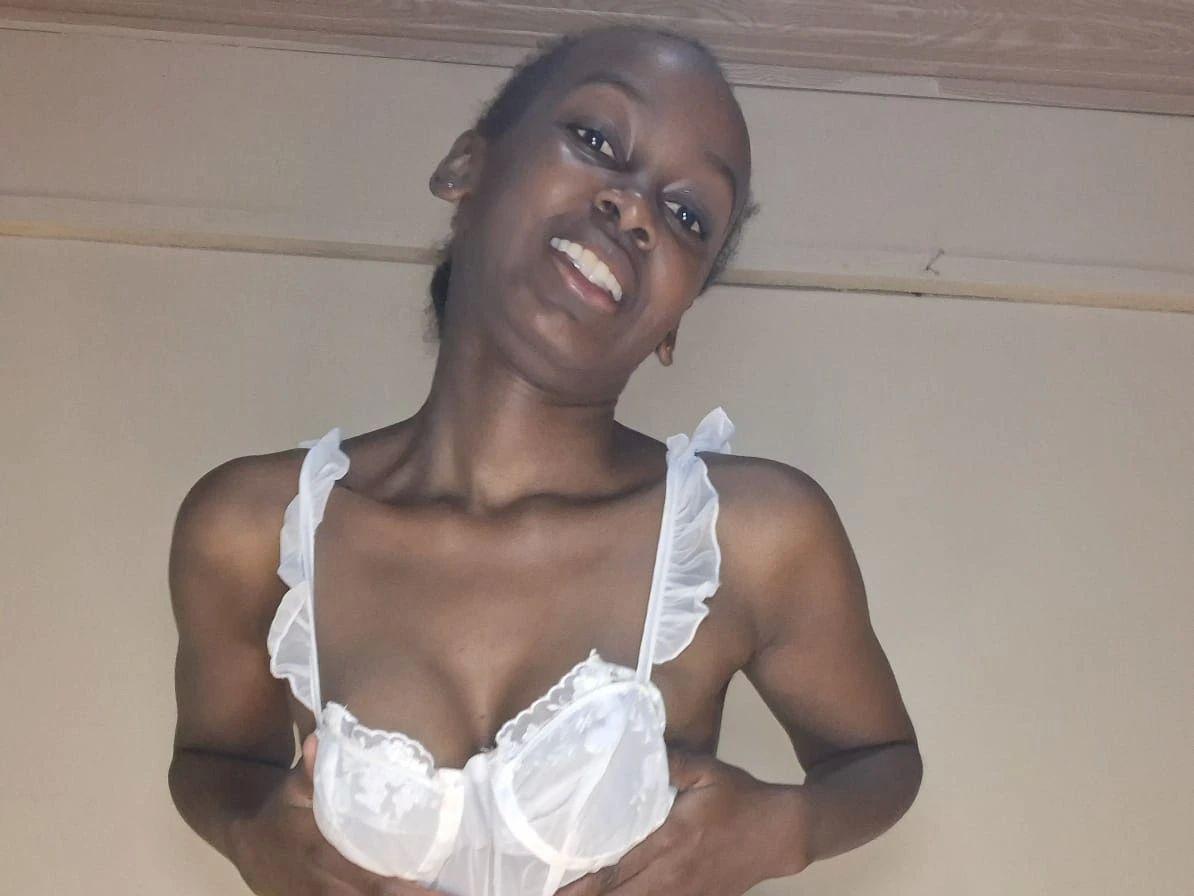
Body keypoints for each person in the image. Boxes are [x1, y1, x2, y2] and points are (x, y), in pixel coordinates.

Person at [168, 23, 922, 896]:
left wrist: (783, 831)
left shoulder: (755, 538)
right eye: (597, 139)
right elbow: (212, 760)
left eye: (687, 216)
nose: (634, 208)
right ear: (466, 167)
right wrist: (252, 839)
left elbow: (881, 759)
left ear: (676, 320)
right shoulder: (250, 529)